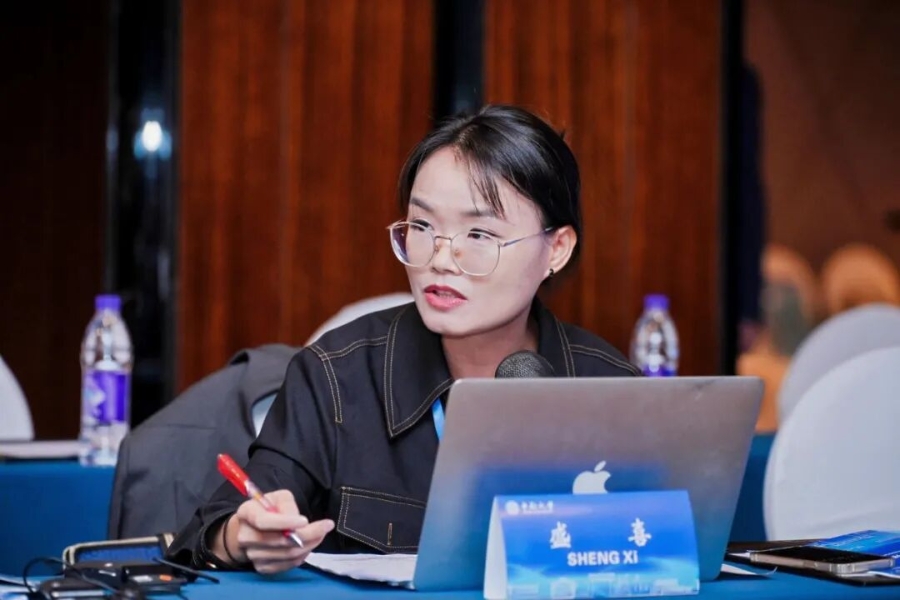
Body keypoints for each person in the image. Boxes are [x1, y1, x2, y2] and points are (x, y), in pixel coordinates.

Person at [167, 105, 639, 573]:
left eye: (478, 234)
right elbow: (224, 522)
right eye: (422, 226)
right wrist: (240, 536)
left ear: (557, 249)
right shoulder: (336, 376)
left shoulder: (613, 390)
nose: (441, 259)